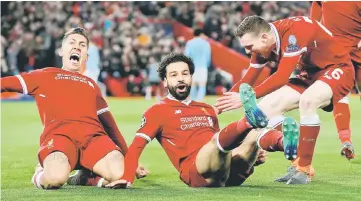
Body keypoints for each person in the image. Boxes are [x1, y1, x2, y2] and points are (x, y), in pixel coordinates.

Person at [105, 53, 300, 189]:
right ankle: (249, 121)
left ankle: (286, 144)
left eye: (184, 73)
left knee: (254, 135)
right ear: (165, 82)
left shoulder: (207, 109)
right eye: (173, 75)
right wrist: (127, 177)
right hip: (198, 173)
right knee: (218, 141)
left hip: (227, 172)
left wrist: (252, 157)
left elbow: (226, 146)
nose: (180, 79)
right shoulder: (157, 110)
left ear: (191, 77)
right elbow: (136, 147)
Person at [0, 27, 147, 189]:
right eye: (72, 42)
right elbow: (5, 84)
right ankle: (41, 171)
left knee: (123, 176)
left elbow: (111, 127)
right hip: (60, 138)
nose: (77, 46)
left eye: (82, 45)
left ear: (86, 56)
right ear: (61, 51)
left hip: (93, 140)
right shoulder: (44, 75)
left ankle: (85, 178)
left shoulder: (92, 85)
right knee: (54, 179)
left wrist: (132, 160)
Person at [215, 16, 355, 184]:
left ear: (264, 38)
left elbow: (281, 77)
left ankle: (304, 168)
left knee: (308, 101)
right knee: (265, 108)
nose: (247, 52)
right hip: (309, 75)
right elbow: (248, 79)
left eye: (249, 47)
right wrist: (218, 107)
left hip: (337, 68)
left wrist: (248, 97)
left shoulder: (294, 32)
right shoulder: (262, 41)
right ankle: (297, 161)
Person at [309, 1, 361, 160]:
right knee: (340, 94)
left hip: (348, 52)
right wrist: (315, 28)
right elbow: (316, 7)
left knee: (340, 95)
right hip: (339, 53)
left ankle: (345, 140)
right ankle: (345, 140)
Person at [184, 28, 211, 101]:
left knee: (193, 85)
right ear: (201, 34)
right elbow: (208, 57)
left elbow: (186, 56)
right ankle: (200, 101)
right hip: (203, 67)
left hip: (192, 67)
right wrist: (207, 66)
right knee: (202, 85)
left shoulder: (189, 43)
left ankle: (193, 101)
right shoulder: (206, 43)